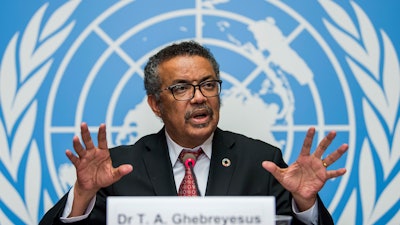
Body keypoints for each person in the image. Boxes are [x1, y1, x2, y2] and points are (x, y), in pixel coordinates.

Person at [39, 40, 348, 225]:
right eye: (182, 88)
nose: (199, 97)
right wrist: (82, 194)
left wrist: (305, 204)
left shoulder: (262, 161)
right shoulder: (119, 168)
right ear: (156, 105)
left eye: (208, 84)